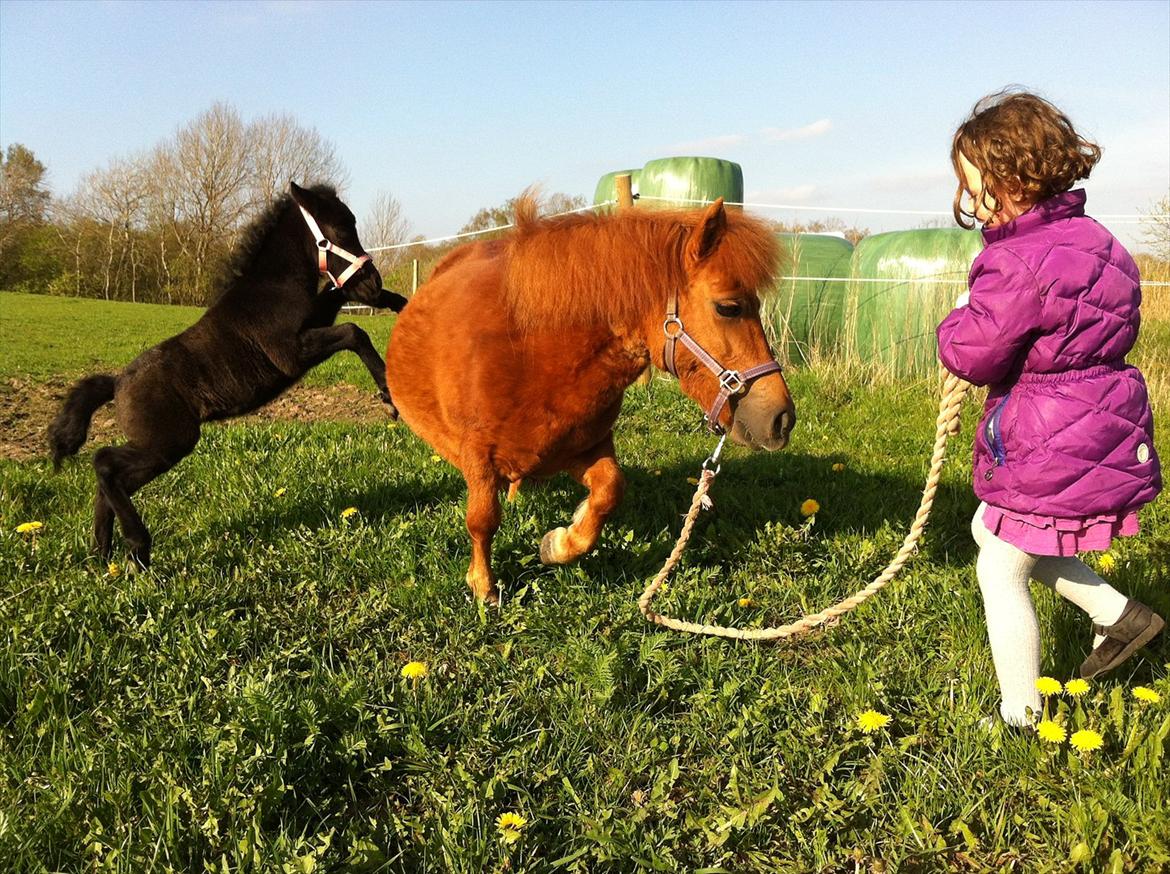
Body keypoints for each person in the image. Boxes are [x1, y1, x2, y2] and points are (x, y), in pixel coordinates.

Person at [936, 89, 1164, 727]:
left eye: (973, 183)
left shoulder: (1011, 261)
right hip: (1099, 419)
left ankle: (1021, 713)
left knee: (1000, 565)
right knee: (995, 531)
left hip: (1047, 433)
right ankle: (1122, 618)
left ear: (1007, 176)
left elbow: (974, 354)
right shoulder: (1100, 240)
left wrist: (956, 322)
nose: (970, 198)